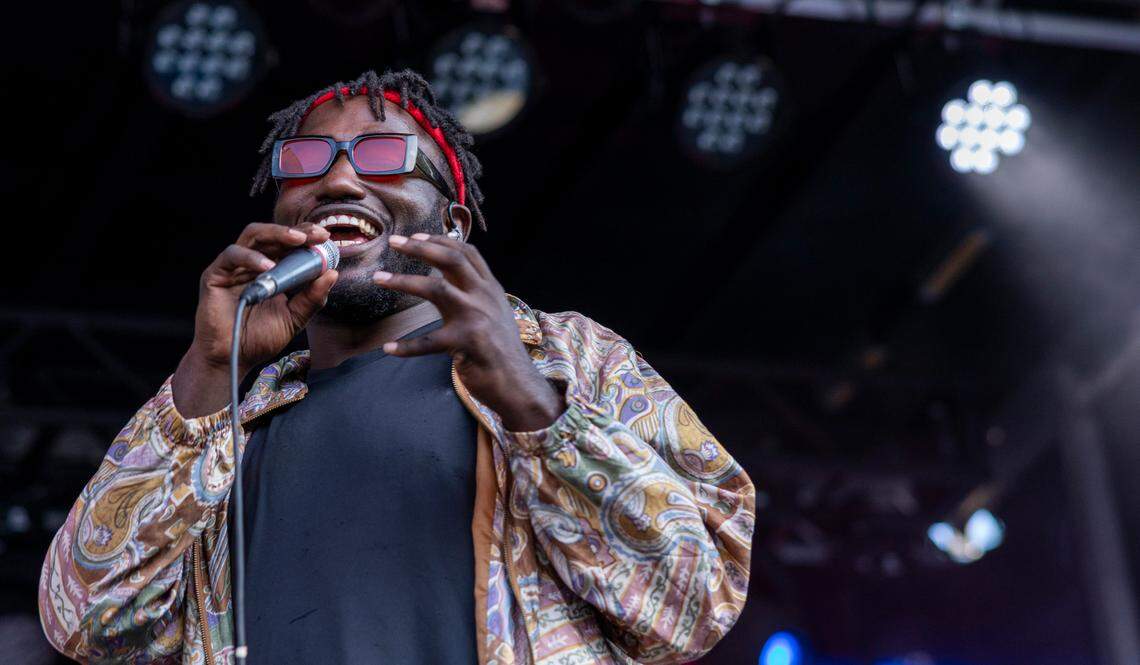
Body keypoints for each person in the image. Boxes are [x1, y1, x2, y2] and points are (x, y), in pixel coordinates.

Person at [38, 69, 755, 665]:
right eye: (305, 161)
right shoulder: (233, 418)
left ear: (452, 224)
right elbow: (86, 621)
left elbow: (693, 602)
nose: (340, 178)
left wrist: (538, 407)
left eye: (383, 155)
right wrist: (208, 365)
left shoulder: (569, 357)